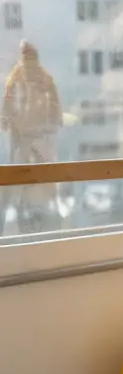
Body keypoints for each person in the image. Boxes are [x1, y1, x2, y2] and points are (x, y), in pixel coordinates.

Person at [1, 41, 63, 234]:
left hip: (28, 138)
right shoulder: (42, 77)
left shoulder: (20, 75)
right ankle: (44, 212)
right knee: (36, 179)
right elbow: (54, 106)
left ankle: (24, 214)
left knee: (21, 181)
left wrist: (7, 120)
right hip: (34, 137)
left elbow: (8, 103)